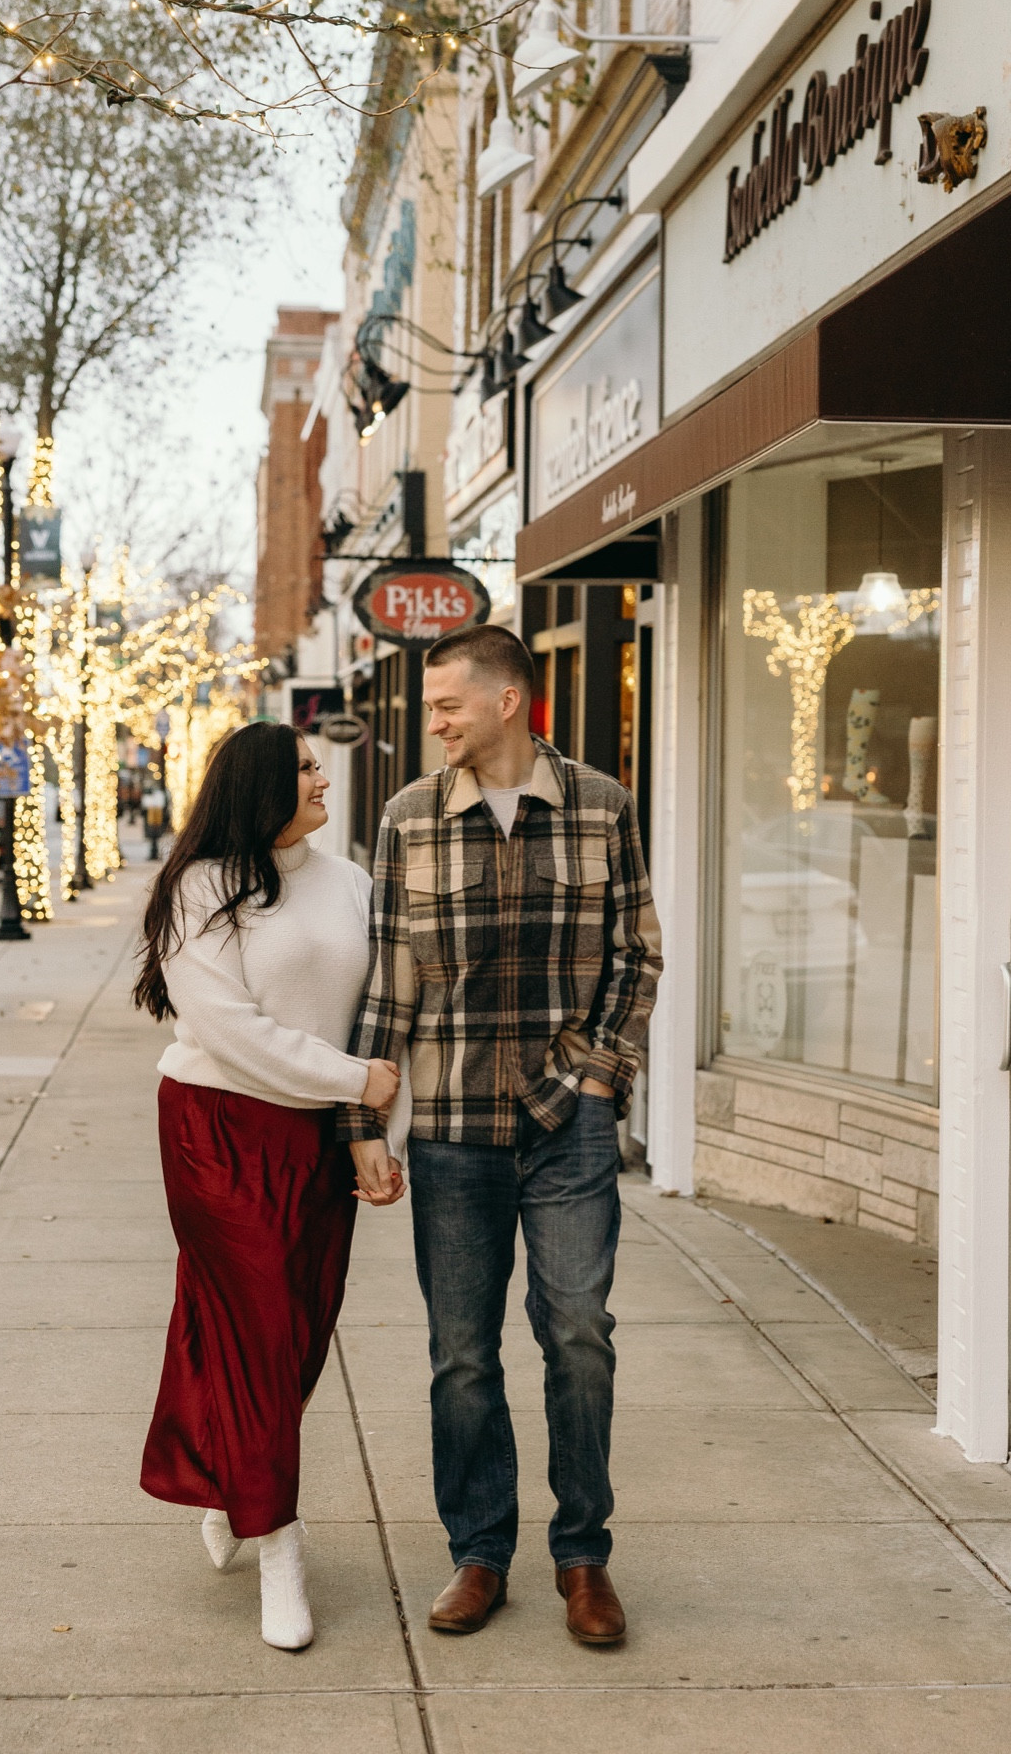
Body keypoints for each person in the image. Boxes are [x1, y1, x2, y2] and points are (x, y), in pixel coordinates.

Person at [340, 624, 661, 1646]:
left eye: (447, 705)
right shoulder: (409, 818)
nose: (433, 723)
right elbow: (388, 976)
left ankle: (582, 1556)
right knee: (461, 1355)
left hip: (569, 1124)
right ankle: (478, 1553)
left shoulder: (602, 805)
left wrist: (600, 1076)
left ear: (507, 700)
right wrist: (364, 1122)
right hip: (451, 1125)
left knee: (579, 1337)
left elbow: (635, 953)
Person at [132, 721, 400, 1651]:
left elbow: (381, 1017)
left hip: (316, 1138)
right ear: (258, 786)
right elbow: (229, 1028)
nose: (323, 779)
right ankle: (278, 1543)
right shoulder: (201, 887)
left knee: (299, 1332)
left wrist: (371, 1131)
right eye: (304, 769)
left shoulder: (351, 882)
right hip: (217, 1127)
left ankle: (232, 1478)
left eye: (319, 765)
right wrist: (354, 1082)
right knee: (258, 1325)